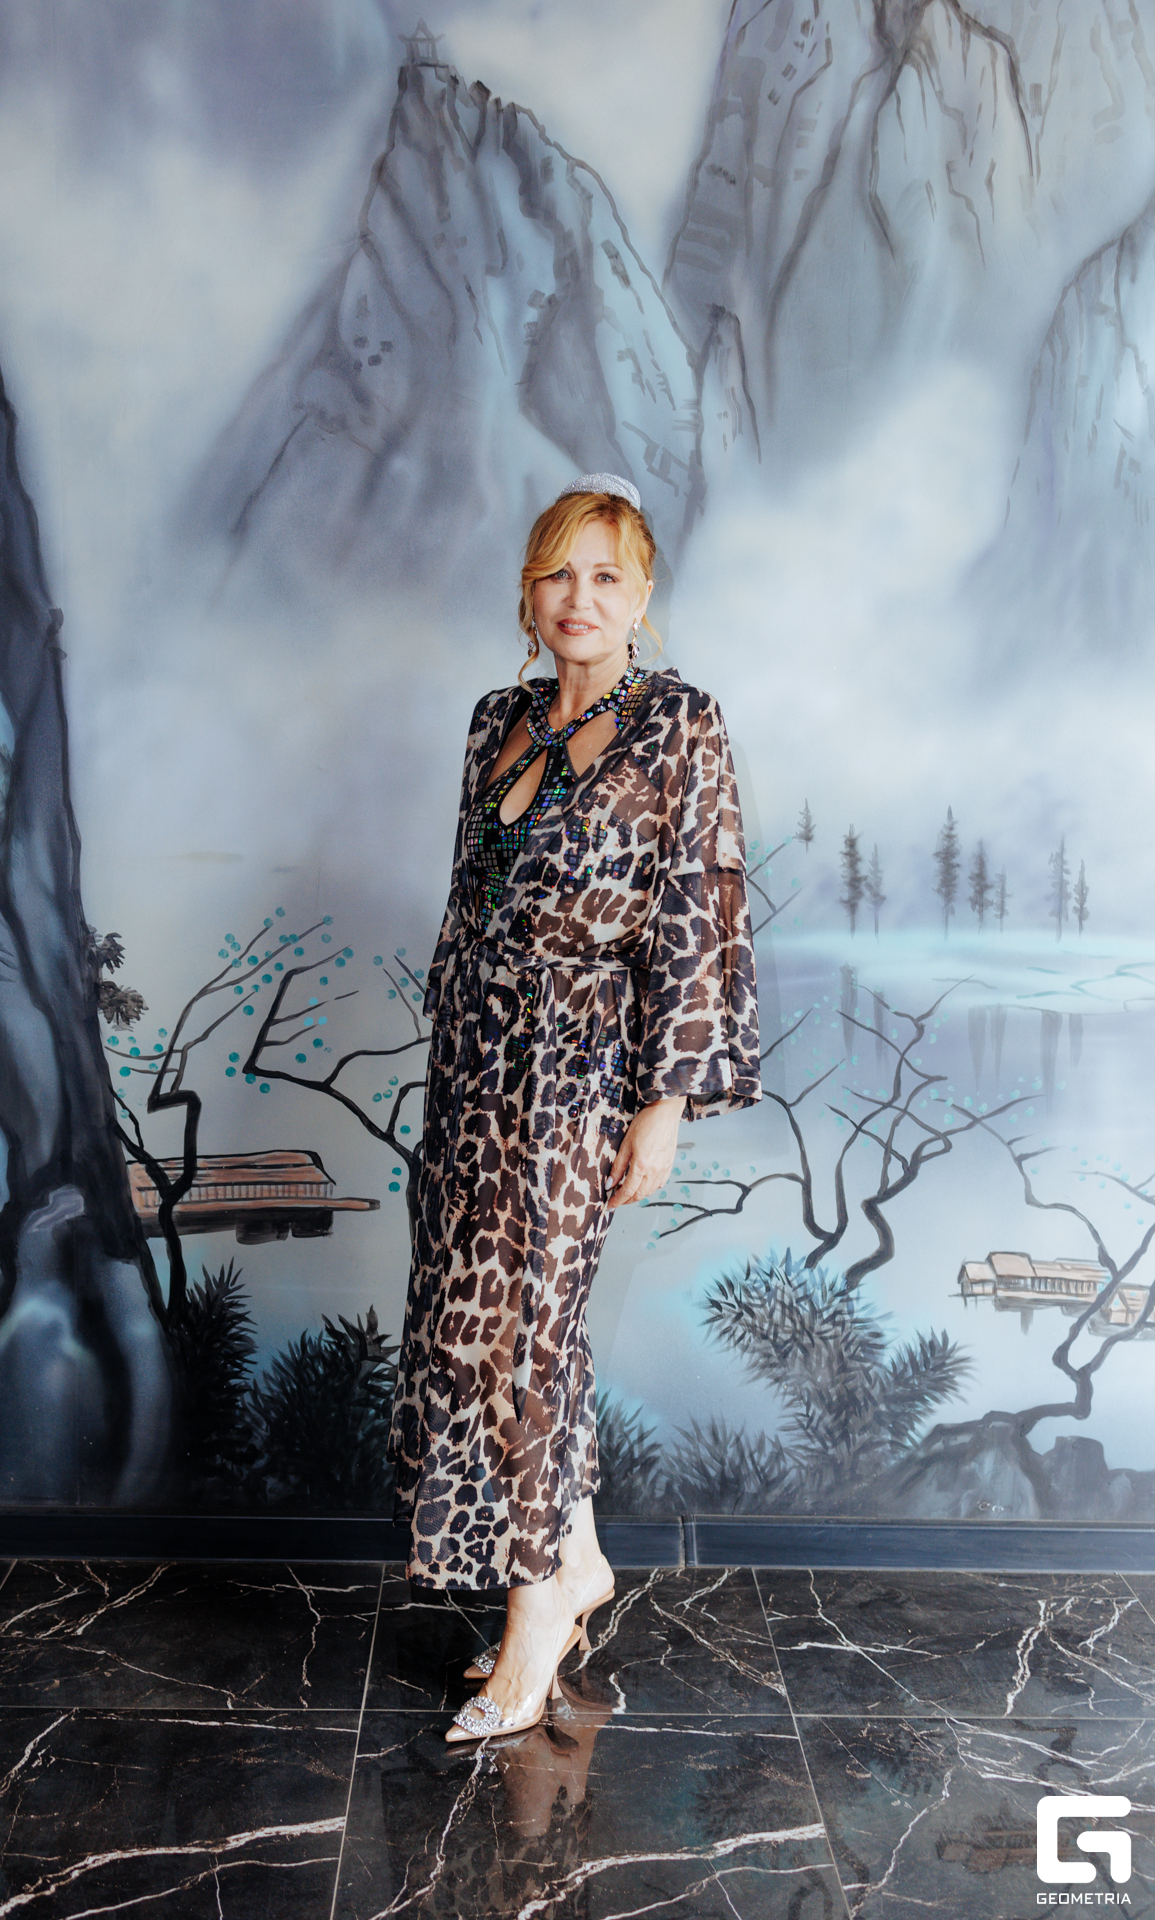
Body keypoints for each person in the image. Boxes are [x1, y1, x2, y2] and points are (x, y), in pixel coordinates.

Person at [388, 473, 760, 1742]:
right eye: (557, 572)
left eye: (604, 576)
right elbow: (468, 895)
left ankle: (536, 1608)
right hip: (471, 1063)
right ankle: (579, 1557)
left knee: (528, 1336)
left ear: (641, 595)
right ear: (527, 591)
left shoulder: (678, 724)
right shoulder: (495, 718)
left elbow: (697, 914)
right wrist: (449, 1043)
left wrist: (663, 1103)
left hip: (580, 1065)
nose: (578, 598)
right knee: (470, 1324)